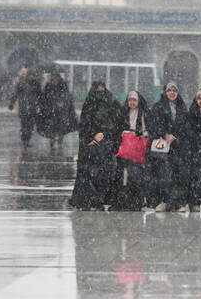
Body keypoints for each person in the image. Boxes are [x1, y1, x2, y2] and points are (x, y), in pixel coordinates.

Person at [69, 82, 122, 210]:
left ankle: (99, 200)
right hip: (91, 146)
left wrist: (104, 134)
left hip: (105, 145)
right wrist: (90, 137)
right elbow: (84, 124)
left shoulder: (112, 104)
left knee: (102, 174)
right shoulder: (90, 104)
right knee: (89, 174)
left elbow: (116, 122)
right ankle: (88, 200)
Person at [146, 82, 188, 212]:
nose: (172, 93)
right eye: (169, 90)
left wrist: (178, 136)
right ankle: (163, 200)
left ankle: (178, 203)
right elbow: (153, 125)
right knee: (163, 174)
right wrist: (164, 134)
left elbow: (186, 126)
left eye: (174, 90)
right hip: (162, 146)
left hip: (178, 147)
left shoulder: (182, 107)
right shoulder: (158, 107)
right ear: (165, 92)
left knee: (178, 174)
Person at [114, 91, 150, 211]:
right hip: (126, 148)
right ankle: (124, 201)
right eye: (130, 100)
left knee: (136, 175)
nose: (132, 103)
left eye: (134, 100)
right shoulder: (124, 113)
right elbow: (118, 128)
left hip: (137, 149)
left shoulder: (143, 114)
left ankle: (136, 201)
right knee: (124, 175)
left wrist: (138, 134)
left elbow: (148, 130)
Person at [38, 72, 78, 150]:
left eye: (56, 77)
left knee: (61, 127)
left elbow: (67, 96)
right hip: (50, 110)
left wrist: (62, 102)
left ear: (59, 77)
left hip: (61, 110)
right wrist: (45, 105)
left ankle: (59, 141)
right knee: (52, 127)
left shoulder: (63, 85)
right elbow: (44, 97)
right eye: (53, 77)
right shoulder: (48, 86)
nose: (55, 79)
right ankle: (52, 142)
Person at [8, 67, 41, 147]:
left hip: (33, 109)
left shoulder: (37, 84)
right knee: (24, 125)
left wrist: (40, 105)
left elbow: (40, 96)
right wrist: (12, 103)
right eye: (30, 75)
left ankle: (27, 140)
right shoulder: (21, 83)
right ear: (27, 75)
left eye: (33, 75)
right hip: (23, 108)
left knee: (30, 126)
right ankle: (24, 140)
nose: (32, 77)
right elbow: (15, 94)